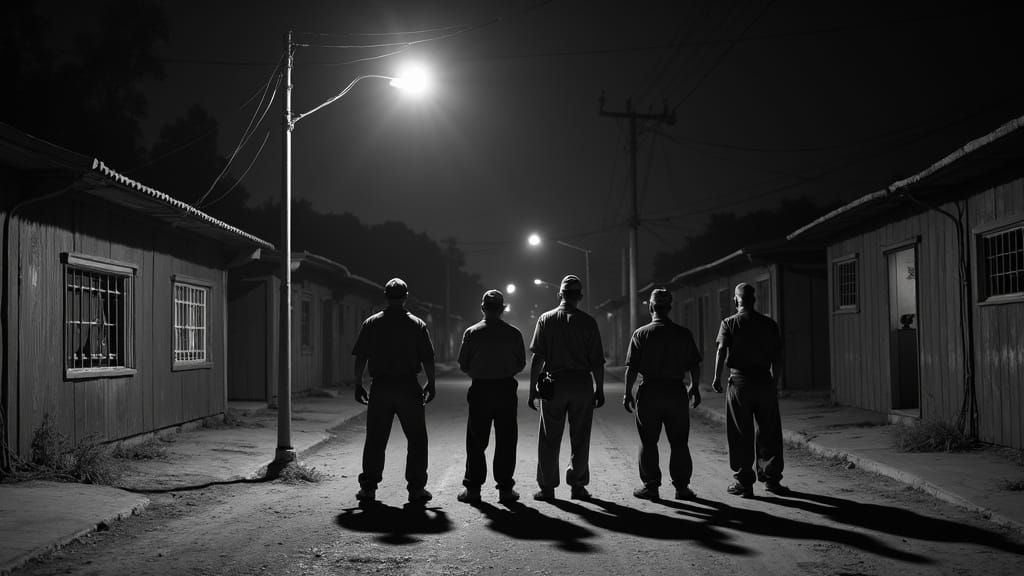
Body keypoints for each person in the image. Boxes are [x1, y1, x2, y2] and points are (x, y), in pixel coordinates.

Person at [352, 278, 437, 505]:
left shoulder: (372, 323)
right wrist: (431, 383)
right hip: (408, 386)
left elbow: (361, 356)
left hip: (381, 386)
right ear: (406, 296)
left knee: (376, 439)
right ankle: (416, 489)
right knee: (417, 439)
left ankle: (369, 488)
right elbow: (428, 358)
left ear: (386, 296)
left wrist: (358, 383)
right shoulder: (417, 324)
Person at [528, 274, 605, 501]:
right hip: (581, 384)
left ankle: (547, 488)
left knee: (549, 437)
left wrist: (533, 389)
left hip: (554, 385)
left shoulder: (546, 319)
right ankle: (578, 486)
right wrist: (598, 388)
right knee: (580, 437)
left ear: (560, 294)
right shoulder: (588, 322)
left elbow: (537, 358)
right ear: (580, 296)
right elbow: (597, 362)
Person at [623, 288, 703, 501]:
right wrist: (694, 386)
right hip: (676, 392)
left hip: (649, 392)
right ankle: (682, 488)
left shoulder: (640, 334)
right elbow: (694, 364)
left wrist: (627, 393)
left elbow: (631, 368)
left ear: (651, 307)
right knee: (679, 442)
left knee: (648, 441)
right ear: (669, 308)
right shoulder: (683, 334)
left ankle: (651, 486)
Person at [711, 282, 787, 498]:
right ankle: (771, 479)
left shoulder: (729, 323)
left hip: (739, 383)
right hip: (764, 381)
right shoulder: (769, 324)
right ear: (754, 300)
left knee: (740, 432)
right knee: (769, 431)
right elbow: (778, 358)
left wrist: (717, 377)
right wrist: (775, 382)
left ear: (736, 300)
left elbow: (721, 350)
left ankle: (744, 483)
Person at [456, 289, 526, 504]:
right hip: (505, 389)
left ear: (483, 308)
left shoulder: (471, 333)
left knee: (476, 440)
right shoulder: (514, 333)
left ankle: (474, 490)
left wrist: (480, 372)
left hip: (480, 390)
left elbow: (463, 364)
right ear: (502, 309)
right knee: (506, 439)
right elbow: (521, 363)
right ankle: (505, 490)